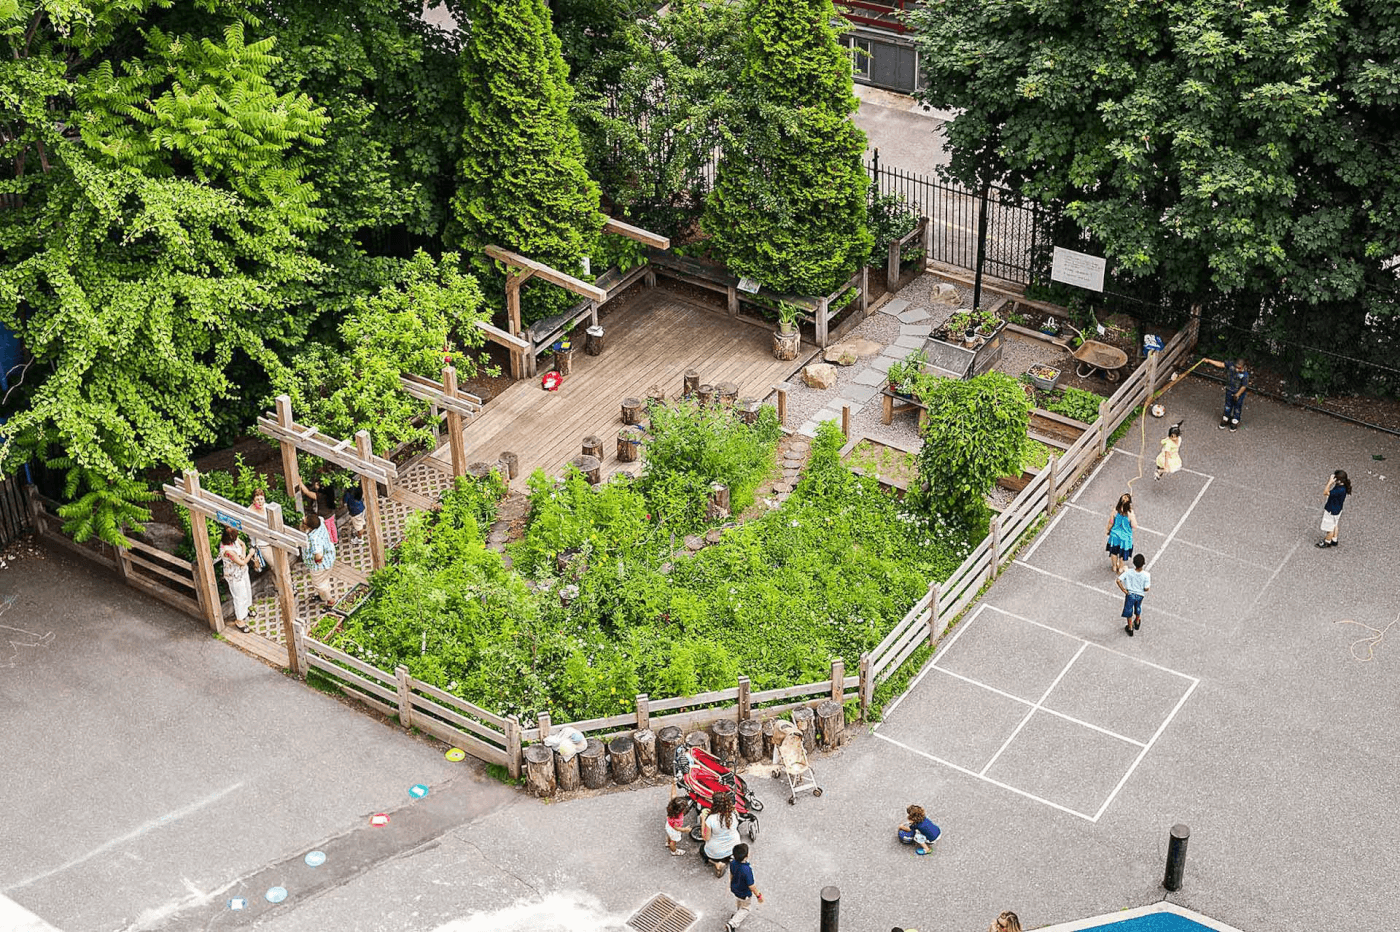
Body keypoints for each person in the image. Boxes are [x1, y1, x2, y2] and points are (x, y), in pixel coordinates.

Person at [219, 526, 256, 633]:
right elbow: (242, 562)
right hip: (234, 576)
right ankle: (239, 620)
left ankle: (246, 609)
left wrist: (243, 555)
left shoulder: (234, 540)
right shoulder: (227, 551)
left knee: (247, 590)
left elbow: (243, 544)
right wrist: (250, 554)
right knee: (239, 597)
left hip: (242, 571)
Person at [1201, 357, 1249, 431]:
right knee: (1228, 405)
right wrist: (1209, 360)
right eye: (1236, 367)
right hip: (1229, 390)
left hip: (1239, 393)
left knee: (1237, 407)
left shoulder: (1245, 375)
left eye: (1239, 368)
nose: (1236, 369)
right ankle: (1226, 418)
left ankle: (1235, 421)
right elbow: (1221, 364)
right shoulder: (1231, 366)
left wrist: (1237, 394)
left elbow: (1244, 386)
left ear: (1243, 367)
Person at [700, 790, 740, 878]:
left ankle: (717, 863)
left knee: (702, 850)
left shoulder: (711, 819)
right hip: (733, 848)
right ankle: (730, 858)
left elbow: (705, 837)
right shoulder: (733, 814)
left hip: (716, 853)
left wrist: (703, 819)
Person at [302, 512, 337, 607]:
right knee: (324, 579)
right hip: (329, 557)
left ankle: (330, 601)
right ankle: (323, 596)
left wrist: (317, 560)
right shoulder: (320, 521)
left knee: (319, 584)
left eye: (303, 522)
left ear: (309, 527)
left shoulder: (314, 538)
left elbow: (318, 555)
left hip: (320, 565)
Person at [725, 843, 762, 931]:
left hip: (735, 888)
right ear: (746, 856)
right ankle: (732, 924)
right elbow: (751, 885)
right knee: (746, 909)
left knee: (739, 902)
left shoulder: (733, 863)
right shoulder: (746, 870)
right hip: (744, 893)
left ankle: (737, 914)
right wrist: (758, 895)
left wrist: (730, 885)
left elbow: (731, 875)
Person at [1117, 553, 1151, 636]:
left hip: (1130, 594)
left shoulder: (1129, 572)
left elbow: (1118, 580)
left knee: (1129, 611)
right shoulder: (1146, 575)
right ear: (1143, 564)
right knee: (1138, 607)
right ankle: (1137, 621)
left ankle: (1130, 627)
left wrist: (1124, 590)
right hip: (1140, 595)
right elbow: (1146, 588)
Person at [1317, 469, 1351, 548]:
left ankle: (1327, 541)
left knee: (1330, 528)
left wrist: (1329, 482)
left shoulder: (1339, 490)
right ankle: (1334, 539)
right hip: (1338, 510)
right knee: (1335, 524)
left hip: (1331, 510)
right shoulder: (1344, 487)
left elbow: (1325, 492)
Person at [1105, 493, 1137, 575]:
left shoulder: (1115, 511)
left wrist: (1108, 530)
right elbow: (1134, 525)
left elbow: (1111, 522)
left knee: (1114, 552)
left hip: (1115, 535)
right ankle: (1120, 568)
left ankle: (1114, 566)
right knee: (1122, 554)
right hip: (1125, 538)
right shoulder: (1130, 513)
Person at [248, 488, 271, 574]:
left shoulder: (268, 507)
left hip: (272, 539)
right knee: (273, 564)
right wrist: (253, 546)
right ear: (253, 501)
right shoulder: (249, 512)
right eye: (257, 500)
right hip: (262, 543)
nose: (260, 502)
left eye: (261, 499)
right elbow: (250, 533)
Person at [664, 784, 687, 856]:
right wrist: (685, 829)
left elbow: (673, 795)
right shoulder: (678, 819)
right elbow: (676, 828)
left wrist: (673, 785)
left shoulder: (671, 808)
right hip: (674, 830)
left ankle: (668, 843)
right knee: (673, 841)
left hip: (668, 825)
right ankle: (674, 851)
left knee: (670, 836)